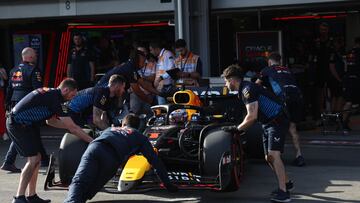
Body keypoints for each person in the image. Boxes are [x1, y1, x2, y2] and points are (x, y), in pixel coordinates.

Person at [8, 78, 93, 203]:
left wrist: (74, 127)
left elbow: (51, 121)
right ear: (65, 90)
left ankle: (31, 196)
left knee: (37, 158)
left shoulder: (53, 95)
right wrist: (92, 141)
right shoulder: (55, 99)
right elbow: (72, 128)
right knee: (33, 159)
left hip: (28, 125)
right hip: (17, 124)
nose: (73, 97)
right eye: (73, 94)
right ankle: (19, 197)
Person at [63, 114, 178, 203]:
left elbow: (95, 134)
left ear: (123, 124)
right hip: (111, 156)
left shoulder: (110, 129)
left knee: (79, 181)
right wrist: (168, 185)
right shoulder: (139, 136)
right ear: (138, 127)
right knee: (92, 187)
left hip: (94, 147)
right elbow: (155, 161)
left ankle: (72, 200)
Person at [222, 65, 292, 202]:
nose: (225, 84)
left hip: (277, 120)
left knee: (273, 155)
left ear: (232, 80)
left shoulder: (247, 89)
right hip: (267, 123)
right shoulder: (244, 89)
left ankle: (284, 193)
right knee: (268, 157)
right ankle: (287, 183)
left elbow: (251, 116)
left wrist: (237, 129)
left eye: (225, 81)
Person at [1, 47, 49, 173]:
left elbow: (9, 90)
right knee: (25, 132)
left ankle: (44, 159)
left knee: (31, 131)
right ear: (31, 57)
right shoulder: (34, 70)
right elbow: (38, 91)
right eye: (35, 56)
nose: (36, 58)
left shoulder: (14, 70)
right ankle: (9, 161)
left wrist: (7, 105)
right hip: (27, 105)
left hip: (15, 105)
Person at [256, 52, 306, 167]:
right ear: (280, 61)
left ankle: (277, 155)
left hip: (284, 99)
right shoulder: (287, 70)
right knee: (292, 128)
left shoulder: (266, 70)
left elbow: (255, 86)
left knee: (278, 125)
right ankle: (299, 156)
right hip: (297, 97)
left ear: (269, 61)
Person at [129, 44, 156, 119]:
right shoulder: (131, 65)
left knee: (149, 115)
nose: (141, 53)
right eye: (139, 52)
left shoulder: (152, 64)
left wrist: (142, 78)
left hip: (148, 93)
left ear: (146, 53)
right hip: (135, 94)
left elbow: (153, 78)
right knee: (134, 116)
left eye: (143, 52)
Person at [342, 37, 360, 132]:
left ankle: (344, 122)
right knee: (350, 103)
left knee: (349, 102)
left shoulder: (348, 52)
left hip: (348, 78)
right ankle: (344, 122)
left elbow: (345, 66)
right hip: (356, 80)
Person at [149, 40, 176, 104]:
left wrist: (160, 78)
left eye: (151, 50)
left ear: (156, 49)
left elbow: (172, 70)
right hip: (161, 88)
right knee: (161, 110)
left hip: (168, 88)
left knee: (167, 109)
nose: (151, 52)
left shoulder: (168, 54)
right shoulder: (160, 56)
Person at [328, 37, 345, 112]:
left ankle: (334, 116)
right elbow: (331, 67)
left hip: (336, 78)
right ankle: (337, 115)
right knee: (339, 96)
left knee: (335, 96)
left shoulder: (339, 53)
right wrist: (338, 79)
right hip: (335, 79)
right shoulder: (333, 53)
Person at [0, 63, 8, 140]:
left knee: (2, 112)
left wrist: (1, 71)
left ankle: (3, 132)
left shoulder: (1, 69)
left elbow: (5, 78)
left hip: (0, 91)